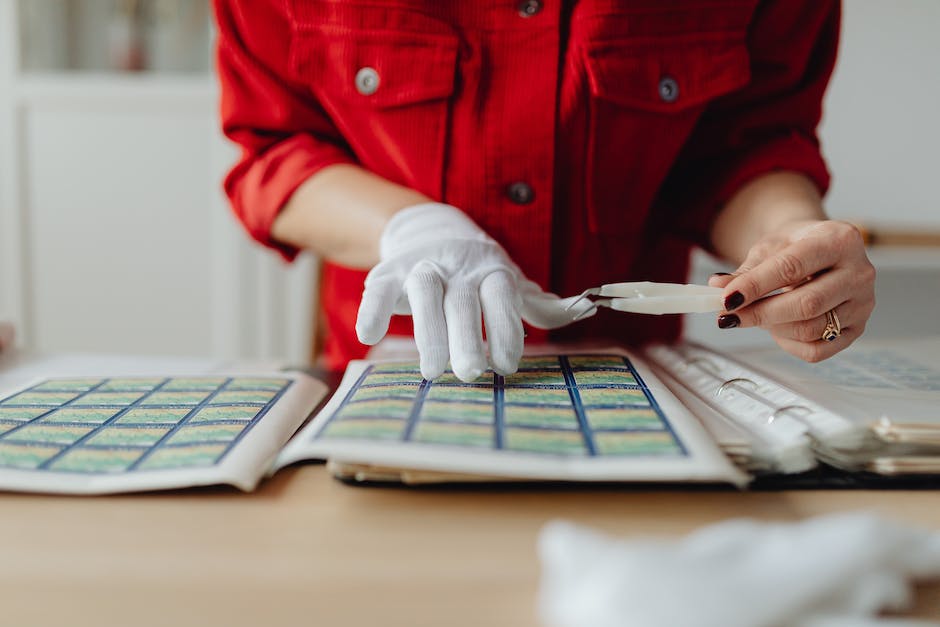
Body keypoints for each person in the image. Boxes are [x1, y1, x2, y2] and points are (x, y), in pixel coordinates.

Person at [213, 0, 875, 382]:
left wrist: (792, 239)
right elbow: (275, 150)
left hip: (643, 395)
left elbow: (747, 141)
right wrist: (410, 225)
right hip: (387, 387)